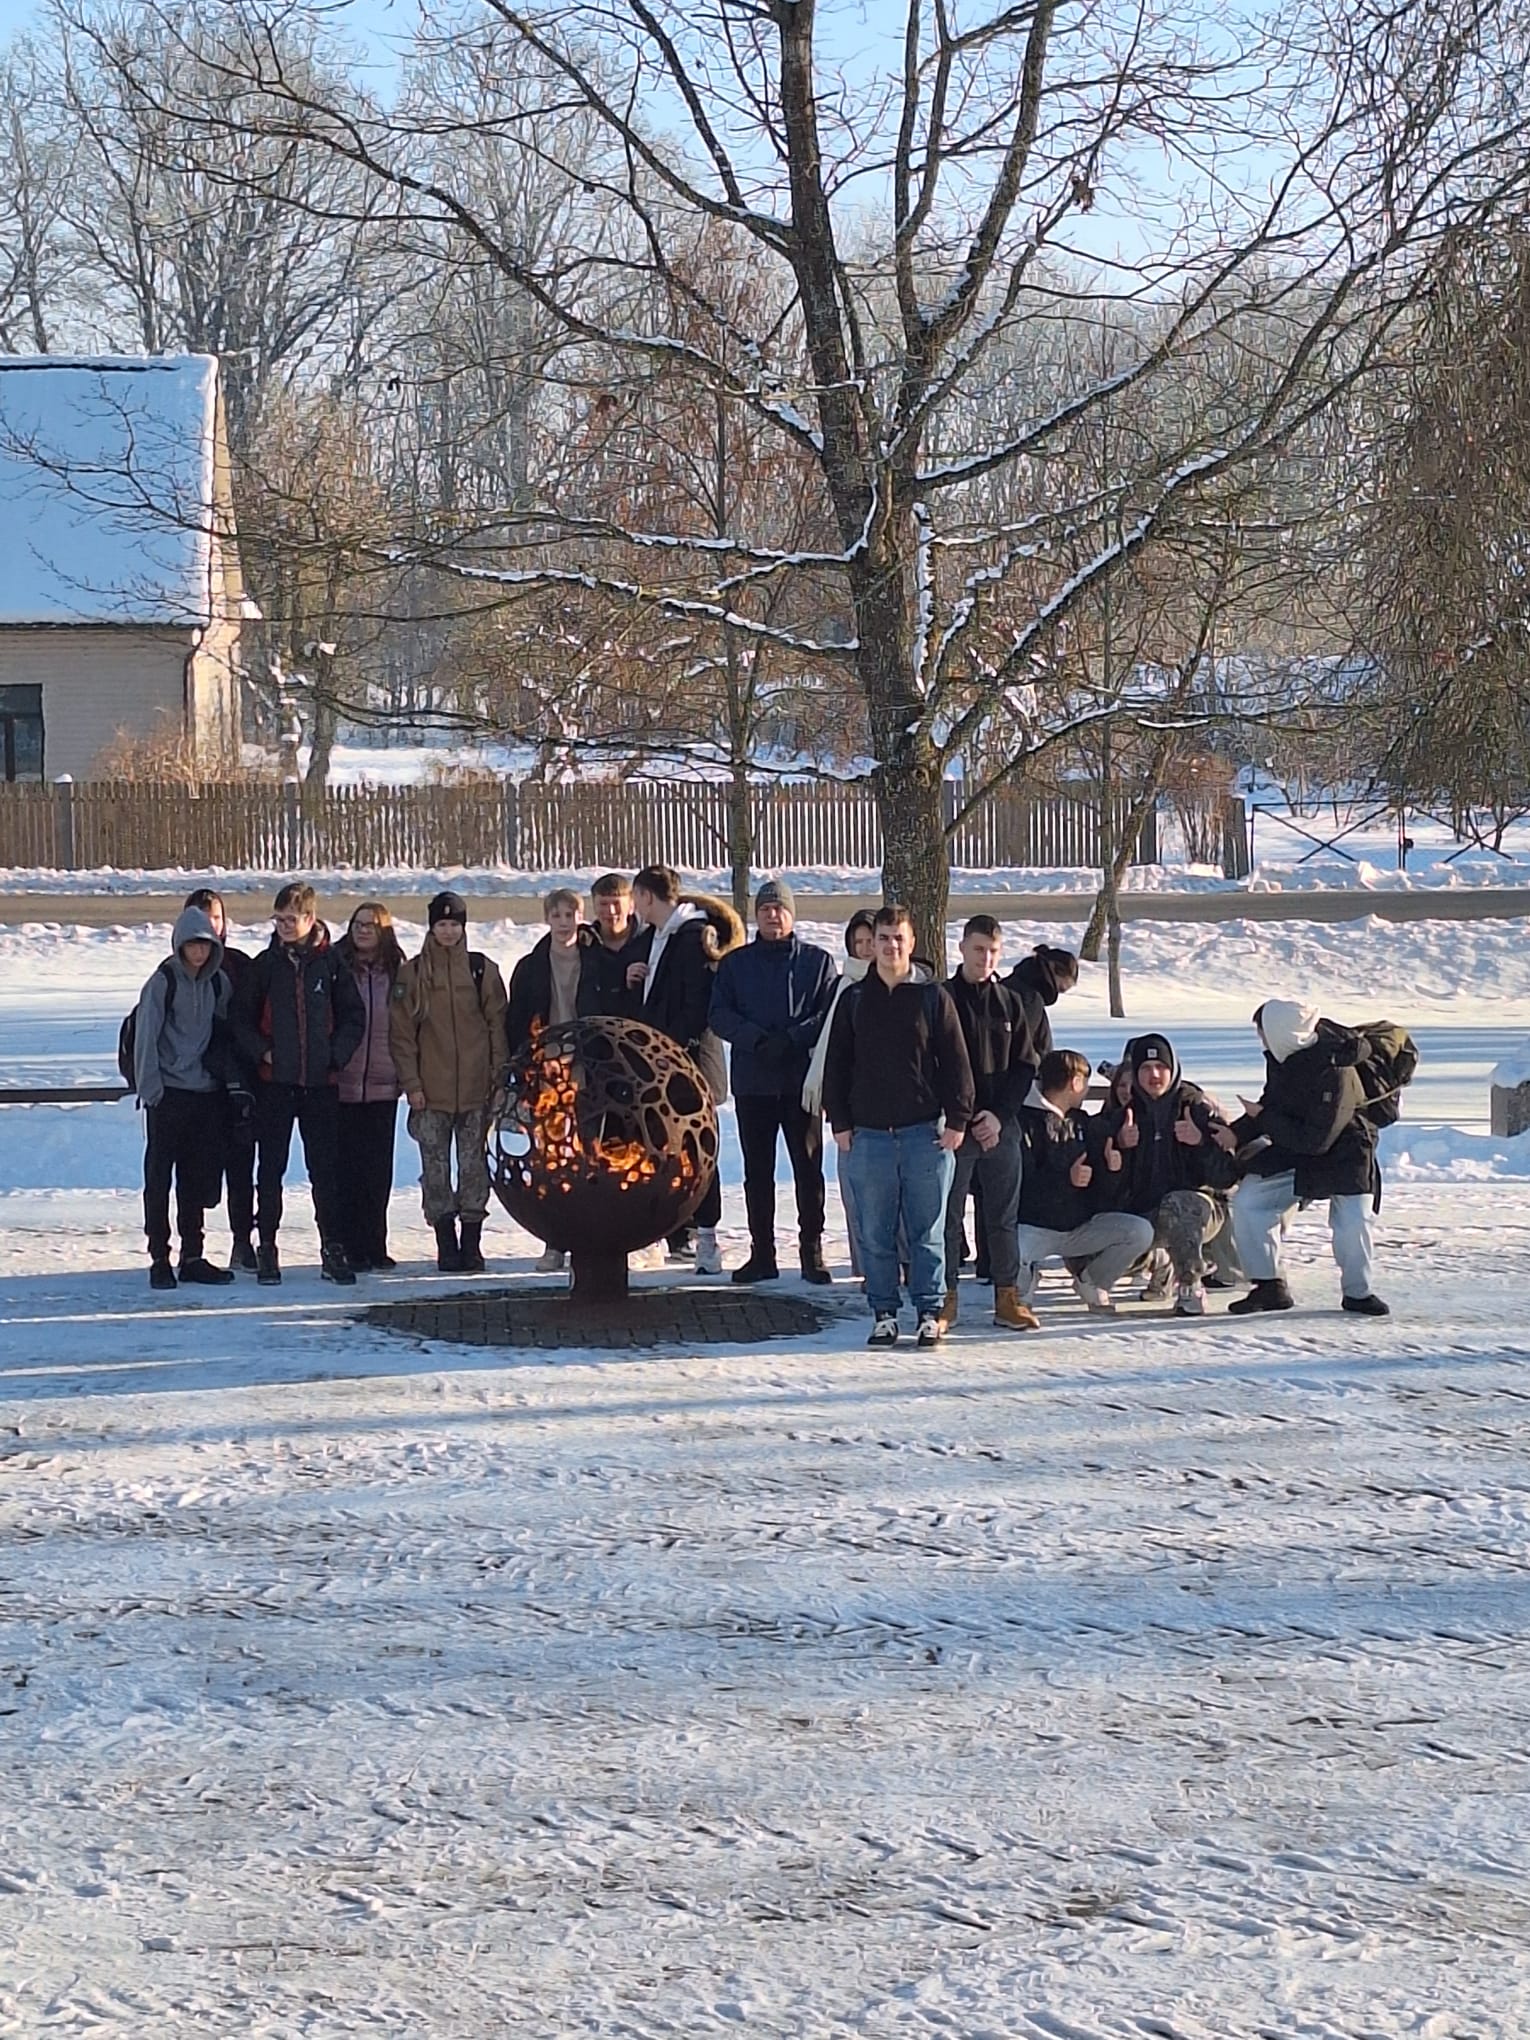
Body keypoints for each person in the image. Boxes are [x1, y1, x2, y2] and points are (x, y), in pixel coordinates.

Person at [822, 904, 975, 1348]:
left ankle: (929, 1311)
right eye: (884, 938)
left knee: (927, 1230)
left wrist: (957, 1119)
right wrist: (841, 1121)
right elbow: (837, 1064)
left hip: (925, 1135)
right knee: (875, 1231)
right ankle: (884, 1312)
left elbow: (957, 1064)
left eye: (898, 938)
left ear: (912, 943)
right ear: (873, 944)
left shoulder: (932, 998)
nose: (891, 946)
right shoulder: (854, 999)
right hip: (868, 1137)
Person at [231, 882, 365, 1287]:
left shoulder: (332, 964)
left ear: (310, 918)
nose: (284, 926)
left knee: (324, 1171)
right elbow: (241, 1020)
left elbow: (353, 1017)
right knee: (270, 1169)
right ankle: (267, 1245)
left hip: (320, 1085)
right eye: (279, 919)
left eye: (291, 919)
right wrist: (263, 1052)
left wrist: (335, 1056)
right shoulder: (265, 966)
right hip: (276, 1084)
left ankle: (332, 1247)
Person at [708, 878, 837, 1284]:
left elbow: (829, 1014)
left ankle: (811, 1250)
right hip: (754, 1082)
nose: (772, 915)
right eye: (765, 909)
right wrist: (756, 1039)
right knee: (757, 1172)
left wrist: (793, 1038)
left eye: (779, 908)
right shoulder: (735, 965)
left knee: (808, 1169)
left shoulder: (817, 962)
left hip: (801, 1082)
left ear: (791, 914)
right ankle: (762, 1252)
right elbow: (719, 1014)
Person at [1228, 999, 1389, 1317]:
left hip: (1347, 1155)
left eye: (1263, 1032)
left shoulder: (1336, 1068)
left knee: (1352, 1222)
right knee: (1250, 1201)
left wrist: (1263, 1118)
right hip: (1297, 1149)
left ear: (1282, 1031)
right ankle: (1269, 1286)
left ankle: (1358, 1293)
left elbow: (1317, 1139)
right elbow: (1274, 1103)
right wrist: (1235, 1134)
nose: (1262, 1040)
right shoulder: (1283, 1057)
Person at [628, 864, 744, 1274]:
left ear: (646, 896)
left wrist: (663, 1048)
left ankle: (707, 1239)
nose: (634, 907)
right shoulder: (657, 937)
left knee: (697, 1153)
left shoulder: (694, 937)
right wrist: (635, 979)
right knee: (659, 1151)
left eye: (636, 898)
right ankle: (662, 1234)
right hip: (661, 1069)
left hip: (688, 1068)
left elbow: (698, 1008)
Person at [390, 890, 509, 1275]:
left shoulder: (482, 970)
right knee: (436, 1170)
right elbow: (402, 1035)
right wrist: (412, 1084)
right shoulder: (413, 973)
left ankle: (472, 1241)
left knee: (473, 1167)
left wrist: (498, 1078)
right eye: (441, 924)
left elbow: (497, 1027)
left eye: (454, 924)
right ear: (431, 927)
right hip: (431, 1092)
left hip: (476, 1090)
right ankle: (445, 1240)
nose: (447, 931)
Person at [941, 915, 1040, 1332]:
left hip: (1000, 1125)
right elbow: (932, 1064)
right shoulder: (941, 999)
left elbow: (1025, 1066)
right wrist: (960, 1117)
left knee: (1003, 1216)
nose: (985, 958)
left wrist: (999, 1116)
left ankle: (1007, 1296)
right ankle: (944, 1296)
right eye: (979, 949)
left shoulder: (1010, 1002)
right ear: (962, 948)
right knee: (947, 1217)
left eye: (993, 951)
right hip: (954, 1127)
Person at [1097, 1032, 1241, 1316]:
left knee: (1179, 1203)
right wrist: (1120, 1152)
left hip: (1199, 1212)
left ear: (1173, 1069)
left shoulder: (1196, 1109)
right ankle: (1158, 1263)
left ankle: (1190, 1285)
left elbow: (1226, 1177)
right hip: (1144, 1216)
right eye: (1146, 1068)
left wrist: (1200, 1143)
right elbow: (1106, 1189)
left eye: (1161, 1067)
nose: (1154, 1075)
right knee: (1088, 1252)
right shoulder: (1123, 1117)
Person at [134, 903, 237, 1291]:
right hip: (168, 1094)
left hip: (204, 1094)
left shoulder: (218, 983)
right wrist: (151, 1089)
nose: (199, 952)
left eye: (205, 945)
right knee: (159, 1178)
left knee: (195, 1179)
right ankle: (159, 1256)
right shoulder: (163, 982)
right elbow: (146, 1037)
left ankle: (192, 1255)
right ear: (179, 945)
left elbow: (225, 1032)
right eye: (192, 945)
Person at [1016, 1050, 1155, 1311]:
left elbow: (1103, 1191)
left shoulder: (1082, 1122)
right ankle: (1023, 1286)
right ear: (1076, 1082)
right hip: (1034, 1228)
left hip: (1080, 1226)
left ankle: (1092, 1281)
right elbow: (1020, 1185)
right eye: (1086, 1082)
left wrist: (1113, 1166)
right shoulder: (1022, 1123)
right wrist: (1065, 1179)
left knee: (1139, 1231)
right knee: (1012, 1247)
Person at [183, 887, 257, 1272]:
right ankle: (192, 1248)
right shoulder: (174, 972)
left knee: (242, 1167)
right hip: (194, 1086)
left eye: (215, 917)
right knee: (194, 1168)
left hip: (238, 1083)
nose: (209, 926)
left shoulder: (240, 966)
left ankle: (243, 1241)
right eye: (200, 918)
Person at [803, 909, 877, 1276]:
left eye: (869, 941)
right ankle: (864, 1266)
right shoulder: (842, 986)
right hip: (848, 1105)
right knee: (854, 1190)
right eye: (857, 942)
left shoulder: (900, 985)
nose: (864, 949)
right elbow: (829, 1046)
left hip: (886, 1104)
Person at [334, 902, 405, 1273]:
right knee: (345, 1170)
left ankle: (375, 1243)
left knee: (377, 1172)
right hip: (343, 1083)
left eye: (371, 925)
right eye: (358, 924)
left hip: (383, 1082)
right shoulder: (337, 966)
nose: (363, 931)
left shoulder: (397, 970)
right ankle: (347, 1246)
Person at [583, 872, 647, 1018]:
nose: (610, 911)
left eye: (616, 904)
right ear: (594, 906)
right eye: (603, 904)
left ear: (631, 906)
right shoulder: (585, 944)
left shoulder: (649, 940)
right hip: (595, 1027)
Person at [1004, 943, 1079, 1062]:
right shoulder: (1030, 999)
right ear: (1053, 969)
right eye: (1061, 988)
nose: (1057, 993)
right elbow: (1022, 1047)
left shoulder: (1010, 985)